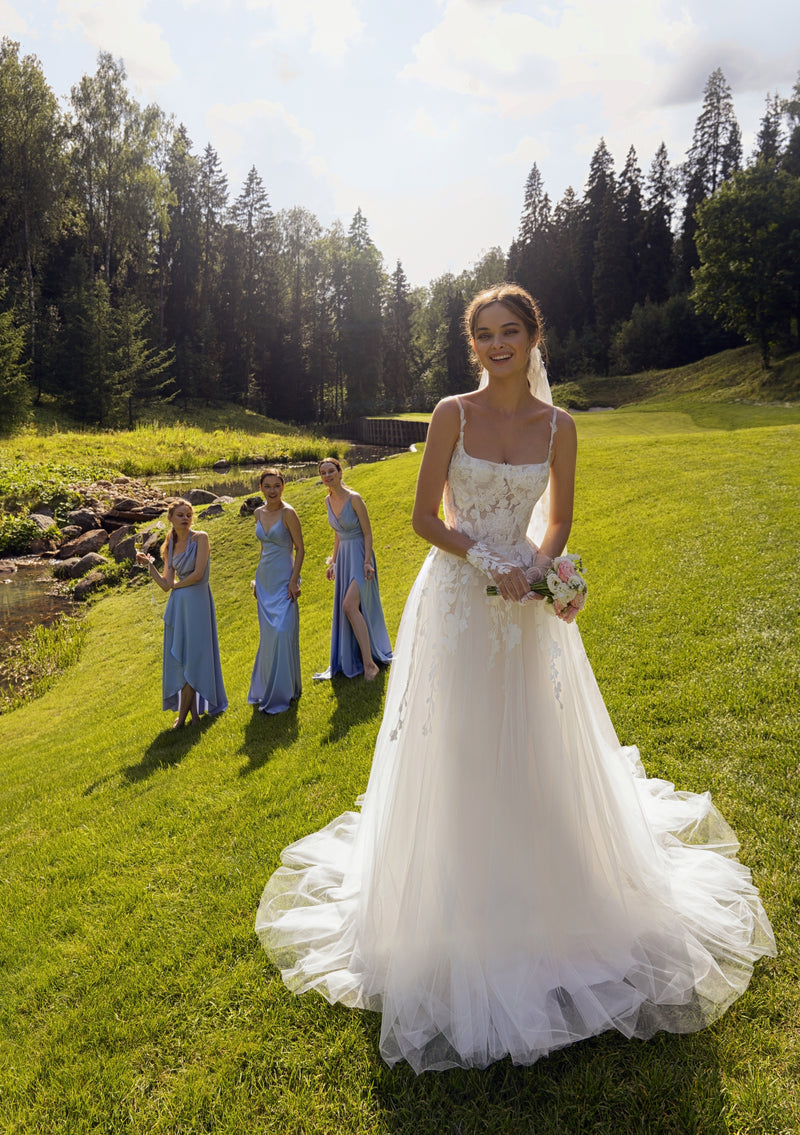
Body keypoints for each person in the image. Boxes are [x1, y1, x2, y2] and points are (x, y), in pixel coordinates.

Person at [255, 284, 775, 1073]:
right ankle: (455, 912)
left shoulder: (560, 427)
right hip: (460, 600)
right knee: (460, 746)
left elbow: (560, 516)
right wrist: (489, 559)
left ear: (535, 336)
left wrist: (541, 566)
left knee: (533, 743)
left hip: (527, 604)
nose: (499, 345)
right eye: (485, 334)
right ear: (474, 346)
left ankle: (552, 906)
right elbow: (426, 517)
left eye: (512, 331)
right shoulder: (450, 414)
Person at [137, 499, 227, 728]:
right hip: (178, 606)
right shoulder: (170, 542)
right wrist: (149, 566)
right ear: (170, 518)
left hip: (198, 602)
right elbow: (166, 584)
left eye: (188, 514)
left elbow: (198, 575)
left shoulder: (201, 538)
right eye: (180, 515)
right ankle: (194, 716)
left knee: (194, 657)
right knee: (184, 658)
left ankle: (183, 719)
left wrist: (176, 587)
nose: (185, 518)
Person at [315, 457, 392, 681]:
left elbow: (368, 532)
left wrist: (367, 561)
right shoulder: (328, 501)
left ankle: (370, 665)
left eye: (331, 471)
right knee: (349, 607)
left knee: (349, 606)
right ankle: (358, 658)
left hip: (359, 557)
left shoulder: (355, 499)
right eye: (323, 473)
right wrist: (334, 562)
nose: (327, 476)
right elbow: (338, 533)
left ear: (340, 472)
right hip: (344, 558)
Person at [248, 469, 304, 714]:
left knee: (282, 632)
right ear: (261, 488)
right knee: (269, 638)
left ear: (283, 486)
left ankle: (285, 692)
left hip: (284, 580)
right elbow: (263, 549)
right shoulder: (258, 512)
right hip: (265, 580)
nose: (272, 490)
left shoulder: (288, 513)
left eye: (276, 486)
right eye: (267, 486)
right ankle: (266, 688)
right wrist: (256, 580)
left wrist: (294, 581)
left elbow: (300, 549)